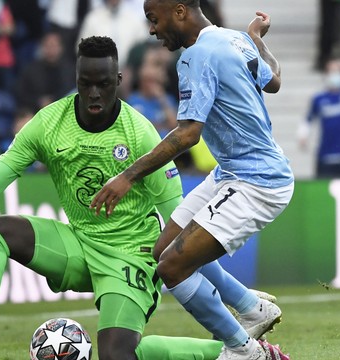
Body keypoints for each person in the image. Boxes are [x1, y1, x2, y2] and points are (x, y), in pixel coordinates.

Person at [0, 36, 291, 360]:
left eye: (103, 84)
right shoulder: (48, 124)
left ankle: (230, 352)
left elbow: (179, 226)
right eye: (86, 84)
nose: (95, 94)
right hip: (80, 246)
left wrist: (240, 297)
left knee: (119, 356)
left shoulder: (140, 136)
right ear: (75, 79)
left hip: (131, 260)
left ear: (118, 80)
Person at [90, 3, 294, 360]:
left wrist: (127, 176)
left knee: (172, 267)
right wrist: (256, 39)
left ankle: (244, 350)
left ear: (180, 11)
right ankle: (253, 309)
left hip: (257, 182)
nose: (152, 30)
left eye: (154, 19)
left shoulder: (195, 56)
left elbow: (188, 135)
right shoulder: (235, 40)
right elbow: (274, 80)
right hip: (232, 171)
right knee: (162, 251)